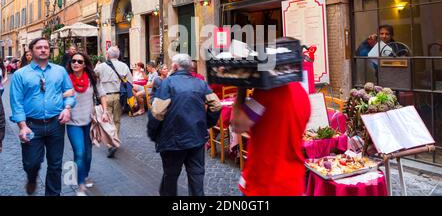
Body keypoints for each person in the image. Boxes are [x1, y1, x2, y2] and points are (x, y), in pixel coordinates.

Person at [231, 37, 311, 196]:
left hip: (265, 183)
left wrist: (241, 87)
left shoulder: (266, 94)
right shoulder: (303, 95)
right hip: (294, 183)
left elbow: (238, 125)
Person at [9, 37, 76, 196]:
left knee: (55, 164)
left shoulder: (59, 71)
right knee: (31, 163)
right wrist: (22, 126)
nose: (44, 50)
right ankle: (32, 178)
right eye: (39, 47)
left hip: (56, 124)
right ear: (31, 52)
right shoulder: (20, 74)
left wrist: (67, 108)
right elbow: (16, 102)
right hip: (31, 125)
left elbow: (69, 93)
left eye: (46, 47)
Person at [148, 53, 222, 196]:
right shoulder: (200, 83)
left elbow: (157, 112)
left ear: (175, 67)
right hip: (196, 137)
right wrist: (207, 123)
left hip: (172, 139)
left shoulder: (167, 83)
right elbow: (216, 105)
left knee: (171, 176)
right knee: (196, 176)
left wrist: (154, 134)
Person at [66, 52, 109, 196]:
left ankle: (84, 175)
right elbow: (56, 95)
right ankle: (81, 185)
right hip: (73, 123)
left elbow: (102, 94)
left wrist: (104, 112)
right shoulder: (65, 79)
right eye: (73, 61)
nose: (76, 63)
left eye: (79, 61)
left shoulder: (92, 78)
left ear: (85, 64)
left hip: (90, 122)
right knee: (79, 153)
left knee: (88, 155)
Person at [94, 46, 132, 158]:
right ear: (118, 55)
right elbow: (130, 81)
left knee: (106, 120)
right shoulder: (124, 66)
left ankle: (110, 144)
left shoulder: (100, 67)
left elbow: (94, 78)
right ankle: (115, 140)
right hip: (119, 96)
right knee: (117, 120)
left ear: (108, 55)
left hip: (105, 97)